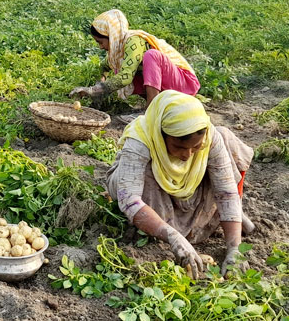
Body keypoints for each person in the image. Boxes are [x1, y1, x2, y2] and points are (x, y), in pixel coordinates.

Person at [106, 91, 256, 278]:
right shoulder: (141, 140)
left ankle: (232, 214)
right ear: (161, 135)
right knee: (143, 173)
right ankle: (166, 228)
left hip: (188, 190)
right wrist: (173, 237)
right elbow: (129, 199)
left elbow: (226, 192)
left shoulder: (210, 137)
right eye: (179, 147)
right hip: (149, 191)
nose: (187, 155)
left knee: (226, 137)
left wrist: (235, 249)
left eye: (196, 147)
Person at [70, 9, 200, 105]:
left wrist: (94, 90)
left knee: (150, 56)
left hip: (184, 84)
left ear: (112, 36)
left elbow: (126, 77)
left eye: (100, 42)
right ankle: (160, 106)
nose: (100, 47)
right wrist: (102, 79)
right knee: (118, 67)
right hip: (169, 89)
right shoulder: (118, 51)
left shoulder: (134, 41)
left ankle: (152, 112)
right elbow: (105, 66)